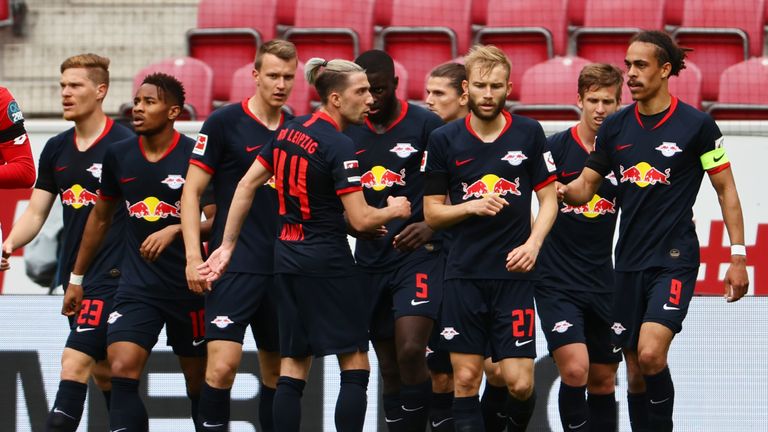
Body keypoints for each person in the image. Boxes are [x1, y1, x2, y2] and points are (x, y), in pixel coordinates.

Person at [199, 58, 411, 432]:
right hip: (327, 261)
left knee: (293, 365)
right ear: (334, 98)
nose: (369, 101)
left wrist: (227, 245)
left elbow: (246, 186)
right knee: (356, 361)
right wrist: (394, 209)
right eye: (360, 92)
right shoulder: (340, 144)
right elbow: (361, 219)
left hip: (286, 259)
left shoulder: (289, 131)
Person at [561, 30, 749, 432]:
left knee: (649, 355)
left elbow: (726, 189)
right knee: (634, 372)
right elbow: (584, 188)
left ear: (665, 70)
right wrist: (556, 189)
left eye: (640, 65)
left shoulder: (698, 125)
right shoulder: (614, 129)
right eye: (628, 64)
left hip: (673, 260)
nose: (630, 73)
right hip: (626, 263)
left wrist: (737, 255)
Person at [423, 45, 559, 431]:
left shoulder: (529, 133)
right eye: (480, 86)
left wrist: (533, 244)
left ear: (508, 89)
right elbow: (432, 212)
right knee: (465, 380)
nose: (487, 94)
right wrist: (470, 206)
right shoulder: (444, 139)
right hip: (463, 274)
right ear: (466, 88)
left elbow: (549, 200)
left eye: (495, 86)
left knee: (519, 382)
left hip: (513, 276)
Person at [65, 72, 208, 432]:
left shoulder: (195, 155)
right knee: (121, 366)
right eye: (137, 101)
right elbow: (99, 218)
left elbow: (216, 220)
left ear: (173, 111)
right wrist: (77, 278)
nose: (137, 108)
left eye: (149, 102)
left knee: (199, 383)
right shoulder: (119, 155)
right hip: (137, 286)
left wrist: (176, 229)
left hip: (189, 288)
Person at [1, 54, 133, 432]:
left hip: (117, 276)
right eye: (62, 86)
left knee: (74, 364)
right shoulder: (57, 149)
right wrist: (9, 244)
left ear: (100, 90)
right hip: (77, 279)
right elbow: (37, 212)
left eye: (75, 86)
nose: (65, 93)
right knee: (106, 373)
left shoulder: (123, 146)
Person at [180, 39, 298, 432]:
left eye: (288, 77)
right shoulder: (223, 122)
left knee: (276, 373)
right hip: (233, 266)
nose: (280, 84)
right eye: (273, 76)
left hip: (283, 266)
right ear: (255, 75)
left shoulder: (297, 128)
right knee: (222, 367)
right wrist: (194, 257)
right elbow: (192, 191)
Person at [344, 49, 444, 432]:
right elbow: (329, 199)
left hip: (417, 256)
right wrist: (352, 225)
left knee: (411, 349)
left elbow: (456, 184)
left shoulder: (426, 125)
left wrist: (432, 226)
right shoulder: (347, 131)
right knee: (387, 365)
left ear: (396, 86)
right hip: (369, 259)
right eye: (366, 91)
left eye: (380, 90)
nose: (373, 99)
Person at [536, 63, 624, 432]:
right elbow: (532, 205)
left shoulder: (626, 152)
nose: (600, 109)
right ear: (579, 100)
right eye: (593, 100)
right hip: (556, 280)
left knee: (603, 380)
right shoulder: (553, 149)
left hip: (604, 281)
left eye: (608, 101)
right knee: (574, 369)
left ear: (620, 103)